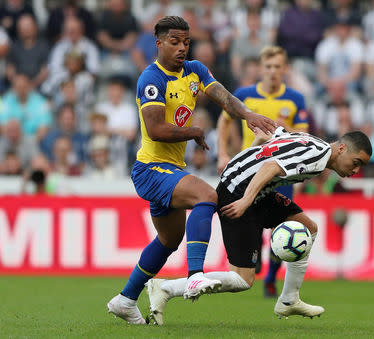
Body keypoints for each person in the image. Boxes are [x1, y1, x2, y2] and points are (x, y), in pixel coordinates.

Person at [106, 16, 276, 325]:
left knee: (170, 240)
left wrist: (248, 114)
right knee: (207, 196)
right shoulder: (151, 79)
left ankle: (125, 300)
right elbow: (155, 128)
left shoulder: (195, 71)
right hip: (150, 169)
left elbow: (223, 96)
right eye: (175, 42)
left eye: (186, 42)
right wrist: (194, 132)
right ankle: (195, 274)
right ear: (158, 43)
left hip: (170, 170)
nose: (182, 48)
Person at [146, 128, 372, 325]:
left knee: (309, 228)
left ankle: (289, 299)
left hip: (256, 192)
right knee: (243, 280)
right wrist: (245, 201)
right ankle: (165, 289)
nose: (355, 171)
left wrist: (257, 141)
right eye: (356, 163)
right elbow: (271, 167)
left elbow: (278, 137)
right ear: (342, 149)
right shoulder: (316, 156)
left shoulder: (316, 144)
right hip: (238, 193)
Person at [217, 45, 309, 298]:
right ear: (260, 69)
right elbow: (224, 121)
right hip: (252, 170)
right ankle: (254, 263)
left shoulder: (295, 99)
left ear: (285, 69)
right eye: (268, 67)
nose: (272, 72)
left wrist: (286, 128)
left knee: (283, 226)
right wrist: (223, 154)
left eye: (277, 67)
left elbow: (303, 137)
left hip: (283, 171)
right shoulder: (245, 95)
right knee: (253, 220)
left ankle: (271, 278)